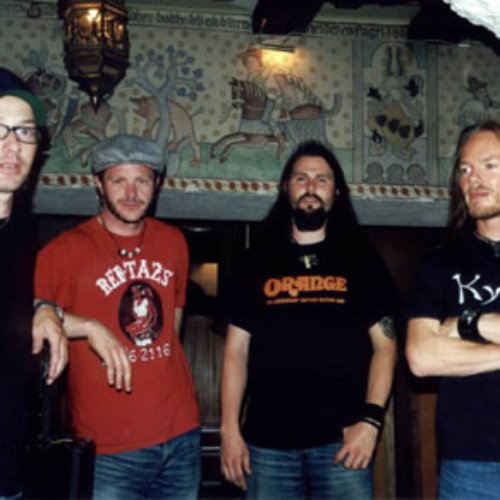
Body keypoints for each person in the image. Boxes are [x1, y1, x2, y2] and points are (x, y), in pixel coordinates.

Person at [220, 140, 398, 499]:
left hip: (343, 444)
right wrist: (229, 430)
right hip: (266, 446)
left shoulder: (362, 259)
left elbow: (386, 346)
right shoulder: (254, 260)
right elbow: (236, 351)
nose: (311, 187)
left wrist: (370, 422)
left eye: (322, 179)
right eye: (301, 178)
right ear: (286, 187)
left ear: (337, 191)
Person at [35, 134, 201, 499]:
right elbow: (25, 318)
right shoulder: (62, 252)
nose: (131, 193)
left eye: (142, 181)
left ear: (156, 184)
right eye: (118, 181)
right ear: (98, 183)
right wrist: (88, 326)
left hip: (181, 435)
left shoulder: (174, 242)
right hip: (109, 450)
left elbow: (172, 327)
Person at [406, 120, 500, 500]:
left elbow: (439, 345)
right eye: (465, 169)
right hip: (469, 466)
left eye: (490, 165)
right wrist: (481, 323)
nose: (474, 179)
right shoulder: (440, 262)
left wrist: (460, 326)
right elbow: (421, 357)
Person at [0, 68, 67, 499]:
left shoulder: (23, 231)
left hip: (9, 469)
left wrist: (43, 307)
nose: (12, 145)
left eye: (25, 131)